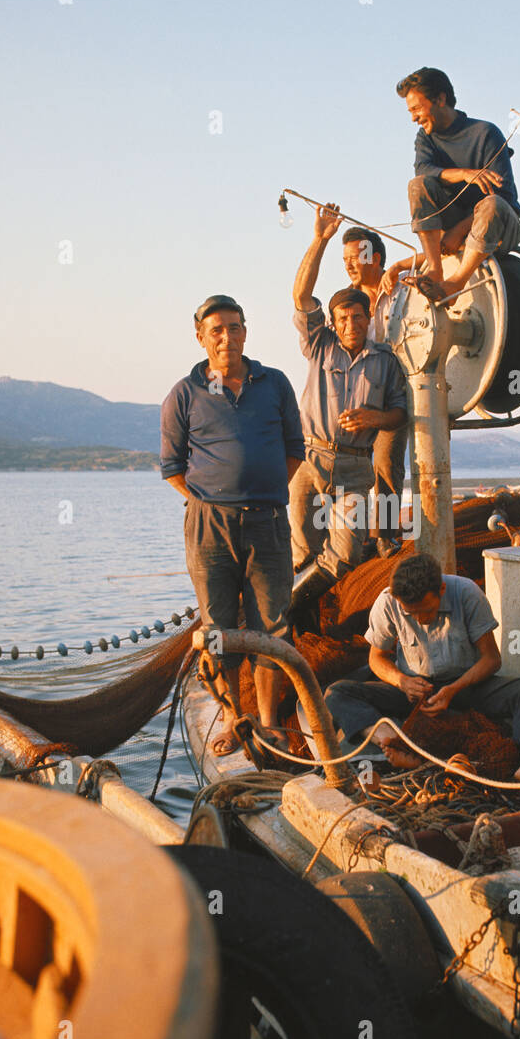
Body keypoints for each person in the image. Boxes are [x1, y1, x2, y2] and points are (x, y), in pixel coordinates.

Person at [160, 294, 305, 756]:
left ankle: (267, 723)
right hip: (209, 529)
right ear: (200, 336)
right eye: (217, 329)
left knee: (271, 628)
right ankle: (230, 719)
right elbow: (172, 468)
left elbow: (294, 449)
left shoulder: (275, 383)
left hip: (268, 524)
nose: (227, 336)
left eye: (235, 327)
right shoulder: (184, 394)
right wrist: (212, 502)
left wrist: (259, 496)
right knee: (218, 629)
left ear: (246, 331)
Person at [324, 553, 520, 783]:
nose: (421, 620)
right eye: (411, 614)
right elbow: (376, 659)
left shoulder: (466, 593)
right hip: (411, 692)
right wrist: (402, 681)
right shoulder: (388, 602)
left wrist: (453, 689)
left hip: (467, 687)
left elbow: (491, 659)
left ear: (442, 589)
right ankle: (393, 740)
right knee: (337, 693)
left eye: (427, 611)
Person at [291, 204, 409, 556]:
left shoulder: (402, 289)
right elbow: (302, 298)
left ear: (375, 256)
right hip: (339, 408)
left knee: (387, 465)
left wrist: (402, 266)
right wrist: (319, 239)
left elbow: (431, 261)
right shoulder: (345, 305)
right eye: (344, 260)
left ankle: (387, 535)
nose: (349, 265)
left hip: (388, 386)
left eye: (355, 258)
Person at [287, 279, 407, 603]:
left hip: (354, 468)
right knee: (302, 552)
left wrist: (375, 418)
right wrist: (320, 239)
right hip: (310, 458)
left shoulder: (386, 360)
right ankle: (299, 625)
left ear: (369, 320)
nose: (350, 324)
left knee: (346, 552)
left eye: (356, 317)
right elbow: (300, 295)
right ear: (332, 323)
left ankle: (293, 604)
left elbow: (400, 412)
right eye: (342, 318)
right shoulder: (319, 345)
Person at [383, 68, 520, 300]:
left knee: (492, 204)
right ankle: (436, 271)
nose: (413, 118)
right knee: (417, 185)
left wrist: (459, 230)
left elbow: (506, 200)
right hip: (450, 233)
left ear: (440, 99)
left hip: (498, 228)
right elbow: (423, 170)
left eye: (417, 109)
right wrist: (465, 174)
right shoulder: (425, 138)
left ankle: (456, 283)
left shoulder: (486, 133)